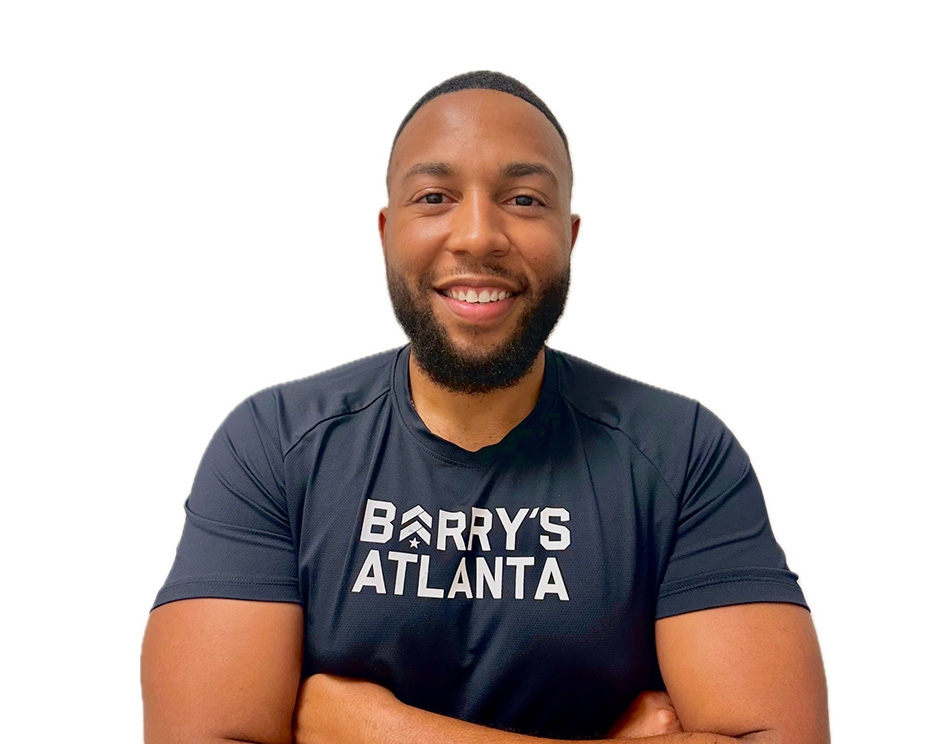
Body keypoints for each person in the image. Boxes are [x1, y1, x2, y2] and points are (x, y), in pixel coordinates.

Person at [141, 71, 829, 744]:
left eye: (525, 200)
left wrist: (371, 730)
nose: (477, 235)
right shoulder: (274, 446)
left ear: (570, 234)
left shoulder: (680, 455)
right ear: (387, 231)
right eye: (435, 196)